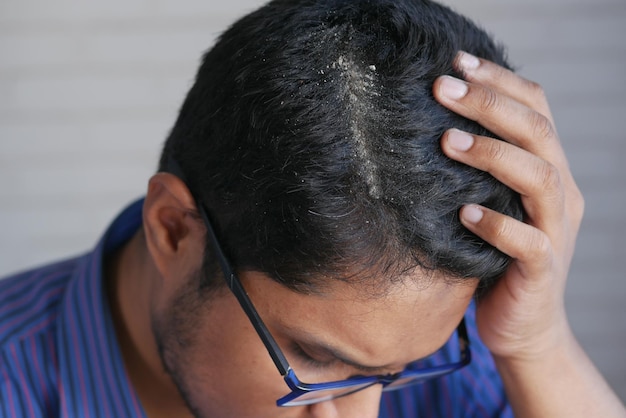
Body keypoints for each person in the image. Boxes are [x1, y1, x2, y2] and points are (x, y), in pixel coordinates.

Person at [1, 0, 624, 416]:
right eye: (318, 359)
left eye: (403, 369)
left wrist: (539, 346)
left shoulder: (449, 354)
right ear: (171, 230)